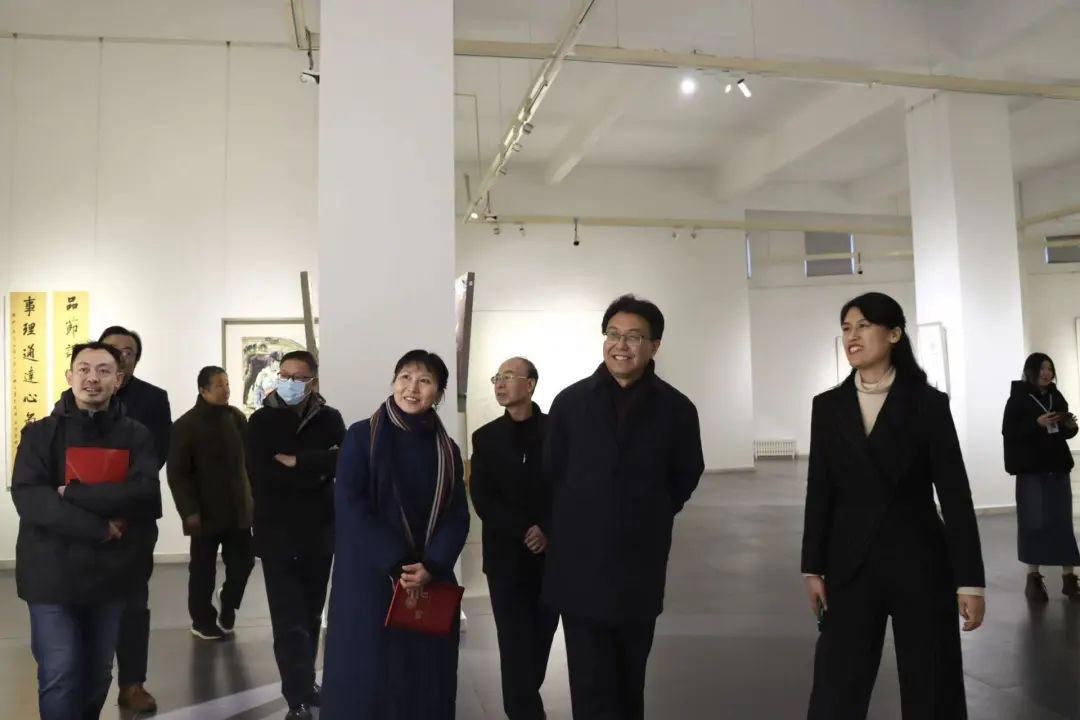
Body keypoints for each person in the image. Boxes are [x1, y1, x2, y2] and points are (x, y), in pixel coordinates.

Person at [802, 292, 986, 719]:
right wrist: (812, 567)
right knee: (836, 686)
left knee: (932, 686)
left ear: (894, 334)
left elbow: (955, 496)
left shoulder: (928, 405)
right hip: (850, 564)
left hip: (920, 563)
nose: (852, 336)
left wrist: (970, 582)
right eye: (846, 328)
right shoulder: (828, 407)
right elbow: (820, 491)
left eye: (863, 326)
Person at [543, 295, 704, 720]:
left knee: (630, 682)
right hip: (579, 568)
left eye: (633, 337)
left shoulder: (676, 409)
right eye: (613, 334)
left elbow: (686, 473)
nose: (621, 345)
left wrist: (649, 511)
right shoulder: (570, 403)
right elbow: (552, 471)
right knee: (589, 685)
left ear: (654, 345)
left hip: (638, 566)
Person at [11, 342, 160, 720]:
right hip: (51, 574)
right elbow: (32, 499)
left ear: (118, 380)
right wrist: (98, 526)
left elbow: (144, 494)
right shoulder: (39, 434)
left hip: (111, 576)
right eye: (84, 369)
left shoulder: (136, 435)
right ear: (70, 376)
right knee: (60, 672)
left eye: (103, 370)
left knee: (98, 674)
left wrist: (74, 493)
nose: (92, 378)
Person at [321, 350, 471, 720]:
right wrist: (398, 562)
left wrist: (433, 564)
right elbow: (351, 504)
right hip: (371, 579)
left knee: (425, 679)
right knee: (368, 677)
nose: (412, 388)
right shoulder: (362, 436)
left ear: (439, 393)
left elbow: (457, 515)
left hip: (428, 580)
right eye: (405, 377)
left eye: (425, 381)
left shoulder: (447, 449)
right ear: (393, 382)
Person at [246, 350, 346, 720]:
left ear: (312, 382)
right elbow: (263, 475)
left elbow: (343, 460)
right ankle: (296, 697)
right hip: (277, 535)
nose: (288, 382)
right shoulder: (260, 421)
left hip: (319, 534)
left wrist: (300, 462)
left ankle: (306, 683)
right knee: (288, 621)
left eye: (297, 377)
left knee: (311, 615)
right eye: (284, 375)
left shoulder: (330, 418)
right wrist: (315, 474)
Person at [470, 357, 558, 720]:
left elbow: (570, 488)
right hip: (506, 559)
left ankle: (525, 702)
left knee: (539, 644)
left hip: (552, 559)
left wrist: (547, 528)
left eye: (508, 377)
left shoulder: (557, 431)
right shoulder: (485, 437)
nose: (500, 384)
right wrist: (525, 529)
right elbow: (483, 498)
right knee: (513, 644)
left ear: (531, 384)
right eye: (497, 378)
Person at [99, 325, 171, 714]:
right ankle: (89, 682)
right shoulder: (80, 394)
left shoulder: (153, 399)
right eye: (112, 349)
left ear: (136, 359)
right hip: (86, 518)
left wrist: (109, 487)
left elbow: (155, 455)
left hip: (136, 517)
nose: (120, 355)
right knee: (88, 602)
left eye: (127, 350)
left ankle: (132, 684)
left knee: (133, 603)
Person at [167, 367, 255, 640]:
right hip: (203, 511)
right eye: (219, 385)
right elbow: (177, 474)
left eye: (227, 384)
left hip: (238, 509)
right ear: (203, 390)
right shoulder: (185, 425)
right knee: (202, 570)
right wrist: (189, 511)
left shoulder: (236, 418)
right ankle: (202, 620)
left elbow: (251, 461)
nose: (226, 389)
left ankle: (228, 600)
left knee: (244, 563)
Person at [1002, 352, 1080, 601]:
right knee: (1033, 522)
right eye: (1042, 369)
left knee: (1062, 521)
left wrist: (1070, 426)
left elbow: (1065, 432)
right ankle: (1033, 578)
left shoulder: (1056, 395)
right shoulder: (1018, 398)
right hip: (1031, 471)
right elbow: (1009, 431)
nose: (1047, 373)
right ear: (1031, 371)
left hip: (1057, 467)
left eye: (1050, 368)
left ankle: (1069, 577)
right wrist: (1036, 423)